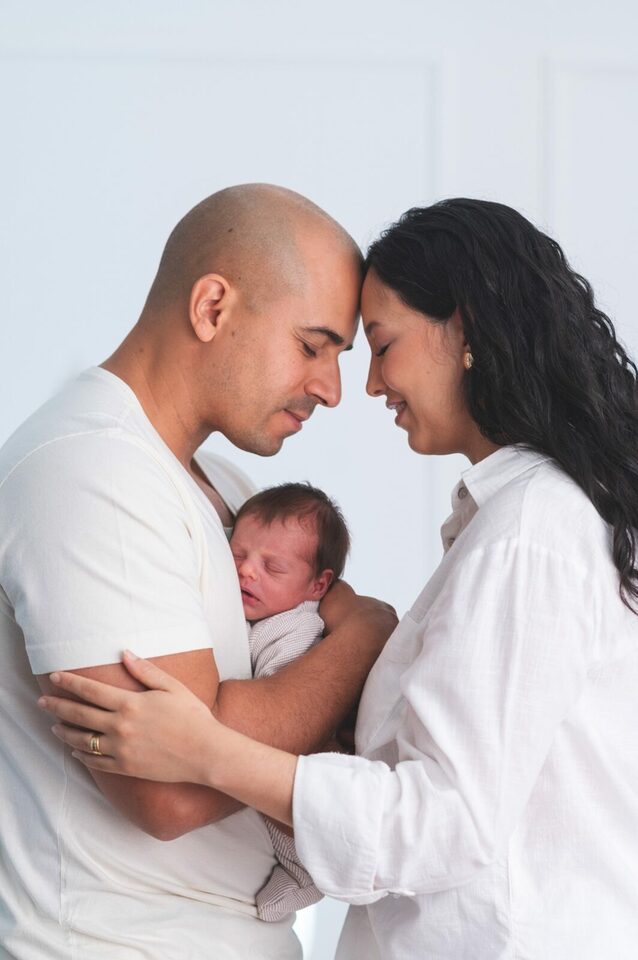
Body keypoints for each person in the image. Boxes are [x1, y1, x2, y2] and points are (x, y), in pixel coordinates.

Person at [42, 197, 638, 960]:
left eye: (380, 346)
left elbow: (445, 820)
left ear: (465, 332)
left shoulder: (532, 530)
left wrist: (207, 750)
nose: (365, 386)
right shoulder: (527, 520)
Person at [0, 183, 397, 960]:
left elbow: (227, 735)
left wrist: (252, 716)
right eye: (313, 346)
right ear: (212, 307)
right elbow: (172, 788)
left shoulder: (229, 489)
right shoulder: (90, 470)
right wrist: (365, 636)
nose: (332, 388)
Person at [228, 482, 350, 921]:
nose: (247, 571)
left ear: (317, 585)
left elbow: (282, 714)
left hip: (311, 766)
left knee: (297, 817)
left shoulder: (295, 630)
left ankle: (305, 875)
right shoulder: (266, 615)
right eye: (237, 555)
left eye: (272, 567)